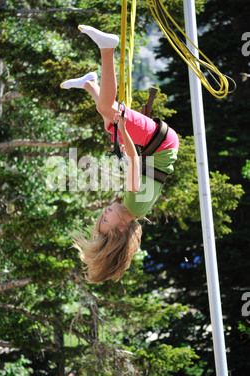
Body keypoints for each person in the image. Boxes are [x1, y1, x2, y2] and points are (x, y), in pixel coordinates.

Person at [60, 25, 179, 284]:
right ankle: (107, 47)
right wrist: (125, 132)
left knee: (108, 123)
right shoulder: (135, 205)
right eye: (106, 220)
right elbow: (137, 161)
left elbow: (138, 165)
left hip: (158, 145)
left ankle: (90, 83)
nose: (104, 212)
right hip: (161, 142)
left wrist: (123, 143)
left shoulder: (134, 208)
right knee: (109, 110)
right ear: (122, 227)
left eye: (100, 217)